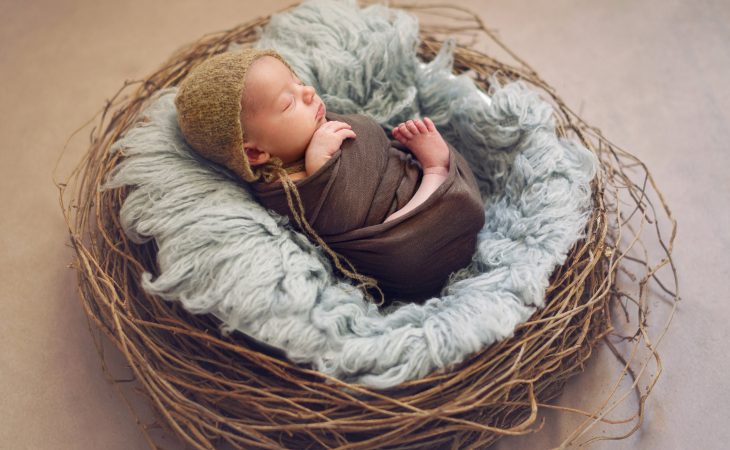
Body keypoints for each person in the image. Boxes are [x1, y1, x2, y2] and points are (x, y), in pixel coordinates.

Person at [175, 48, 485, 306]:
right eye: (288, 102)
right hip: (403, 246)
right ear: (256, 154)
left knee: (424, 165)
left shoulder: (320, 121)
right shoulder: (278, 185)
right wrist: (319, 169)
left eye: (298, 82)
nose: (308, 93)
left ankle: (435, 175)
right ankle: (437, 174)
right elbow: (329, 220)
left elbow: (379, 145)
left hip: (407, 183)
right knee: (406, 256)